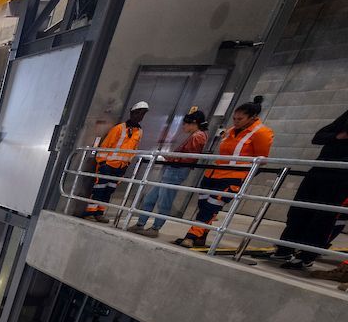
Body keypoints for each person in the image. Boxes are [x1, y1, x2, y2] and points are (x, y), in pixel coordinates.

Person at [177, 96, 273, 249]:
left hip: (232, 178)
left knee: (211, 207)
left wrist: (243, 175)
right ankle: (201, 236)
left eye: (240, 119)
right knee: (203, 205)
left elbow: (261, 159)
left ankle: (191, 236)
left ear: (252, 118)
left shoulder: (262, 133)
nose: (236, 121)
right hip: (213, 174)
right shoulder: (230, 131)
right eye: (234, 118)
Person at [268, 109, 348, 270]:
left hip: (341, 180)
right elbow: (318, 137)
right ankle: (285, 248)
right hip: (319, 172)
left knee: (323, 218)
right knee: (299, 211)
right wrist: (337, 137)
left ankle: (306, 256)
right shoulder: (343, 121)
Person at [129, 109, 209, 237]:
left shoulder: (198, 136)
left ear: (193, 123)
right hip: (173, 169)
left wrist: (171, 157)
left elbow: (188, 158)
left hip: (176, 170)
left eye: (185, 124)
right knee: (151, 197)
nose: (183, 127)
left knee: (164, 201)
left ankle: (155, 228)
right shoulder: (198, 135)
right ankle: (141, 224)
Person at [80, 101, 149, 223]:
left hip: (121, 167)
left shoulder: (139, 131)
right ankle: (90, 212)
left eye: (143, 114)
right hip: (108, 165)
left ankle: (99, 213)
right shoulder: (119, 129)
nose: (140, 116)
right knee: (99, 189)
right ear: (132, 113)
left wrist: (127, 163)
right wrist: (102, 163)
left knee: (109, 190)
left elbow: (134, 149)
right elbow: (105, 146)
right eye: (138, 113)